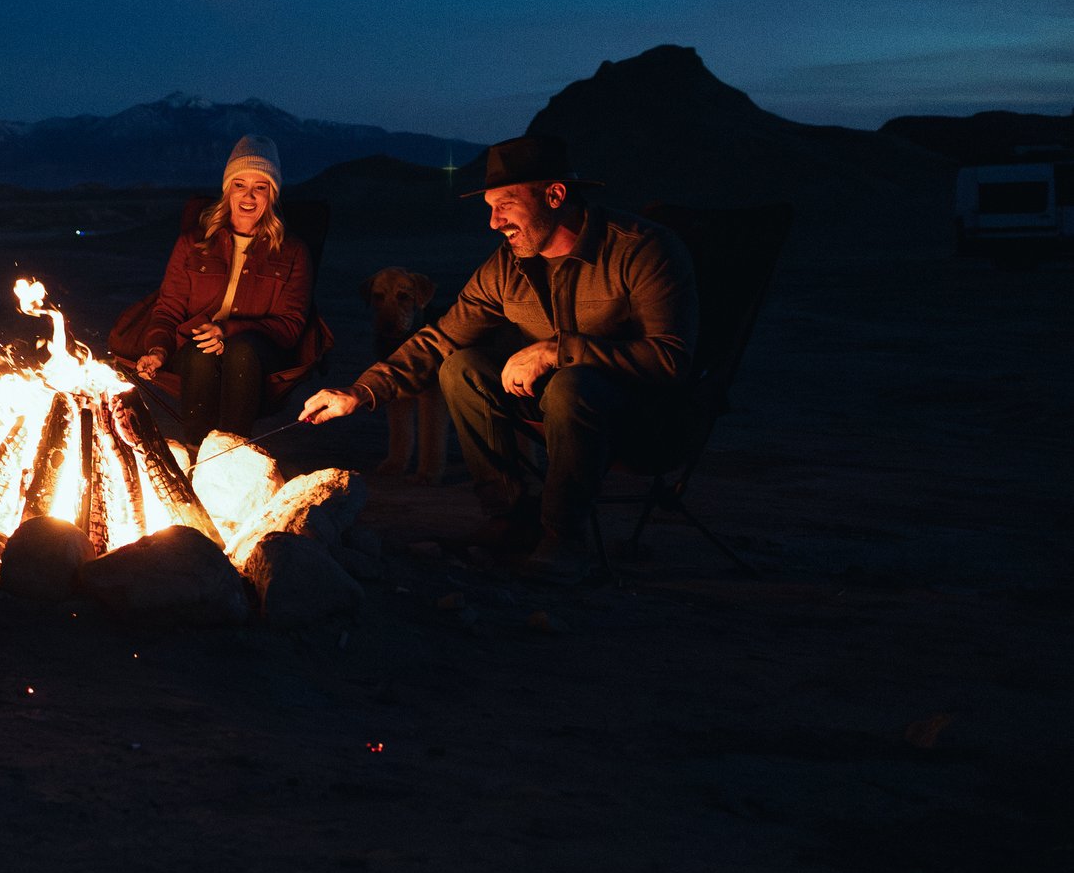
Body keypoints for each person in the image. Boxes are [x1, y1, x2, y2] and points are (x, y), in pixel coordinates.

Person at [301, 134, 698, 584]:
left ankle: (564, 535)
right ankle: (509, 518)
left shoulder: (641, 250)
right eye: (489, 207)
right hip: (552, 410)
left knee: (571, 382)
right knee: (461, 367)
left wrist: (557, 350)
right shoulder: (506, 268)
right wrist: (360, 392)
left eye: (506, 204)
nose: (494, 222)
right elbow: (439, 339)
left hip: (644, 418)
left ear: (554, 195)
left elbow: (670, 359)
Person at [132, 135, 316, 450]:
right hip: (197, 347)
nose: (248, 196)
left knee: (240, 351)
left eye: (260, 187)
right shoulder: (194, 243)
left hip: (258, 353)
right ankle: (198, 451)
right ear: (227, 189)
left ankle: (233, 452)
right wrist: (159, 350)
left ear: (272, 194)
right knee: (201, 353)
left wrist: (228, 330)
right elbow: (169, 309)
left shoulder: (293, 252)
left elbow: (290, 326)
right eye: (239, 184)